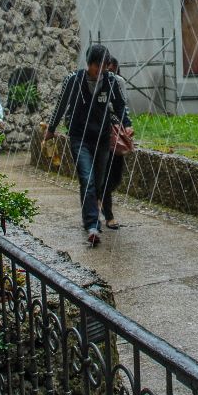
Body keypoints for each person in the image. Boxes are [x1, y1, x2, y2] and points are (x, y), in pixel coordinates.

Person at [44, 44, 129, 246]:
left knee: (98, 182)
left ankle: (92, 214)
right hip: (79, 138)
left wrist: (127, 125)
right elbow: (61, 105)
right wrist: (51, 128)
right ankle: (92, 225)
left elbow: (120, 106)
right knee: (87, 179)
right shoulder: (73, 80)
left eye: (104, 67)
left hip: (102, 139)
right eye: (97, 66)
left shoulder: (111, 81)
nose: (100, 71)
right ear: (89, 64)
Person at [100, 57, 133, 229]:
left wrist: (127, 125)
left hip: (116, 132)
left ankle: (100, 196)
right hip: (100, 134)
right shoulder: (94, 81)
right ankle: (109, 214)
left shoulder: (117, 82)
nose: (108, 72)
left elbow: (123, 106)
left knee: (117, 177)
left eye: (111, 69)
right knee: (105, 176)